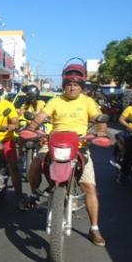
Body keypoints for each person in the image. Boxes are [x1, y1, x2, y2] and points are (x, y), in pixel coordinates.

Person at [25, 62, 109, 246]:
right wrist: (31, 128)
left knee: (89, 187)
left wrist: (101, 131)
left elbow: (98, 118)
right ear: (64, 85)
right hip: (53, 142)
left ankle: (94, 228)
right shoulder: (55, 100)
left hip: (80, 146)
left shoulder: (88, 101)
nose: (72, 87)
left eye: (76, 84)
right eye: (69, 84)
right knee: (33, 166)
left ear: (81, 86)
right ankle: (33, 194)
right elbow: (41, 116)